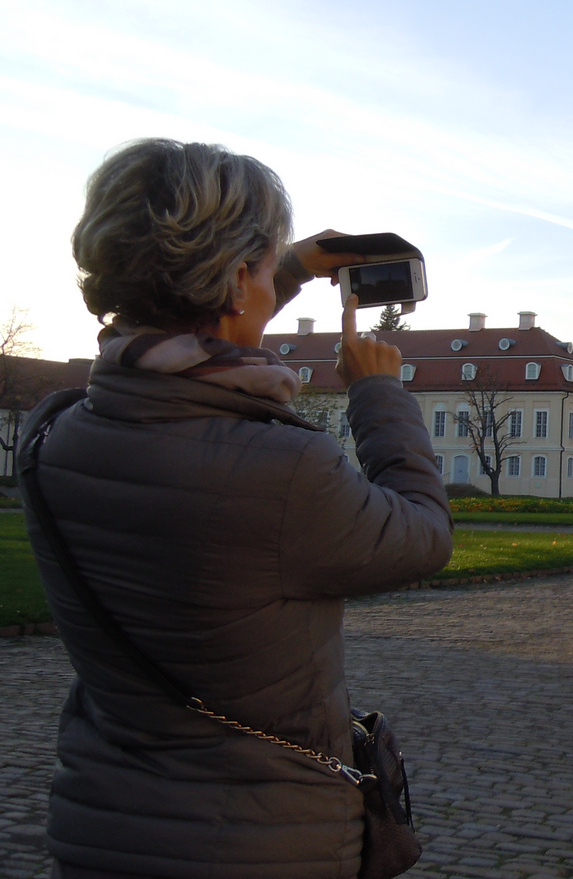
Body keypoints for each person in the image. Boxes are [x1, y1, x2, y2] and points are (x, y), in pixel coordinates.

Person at [19, 140, 454, 879]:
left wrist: (282, 270)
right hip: (261, 840)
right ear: (234, 281)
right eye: (261, 261)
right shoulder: (282, 471)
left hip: (103, 825)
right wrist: (380, 391)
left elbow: (185, 329)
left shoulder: (53, 432)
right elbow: (423, 532)